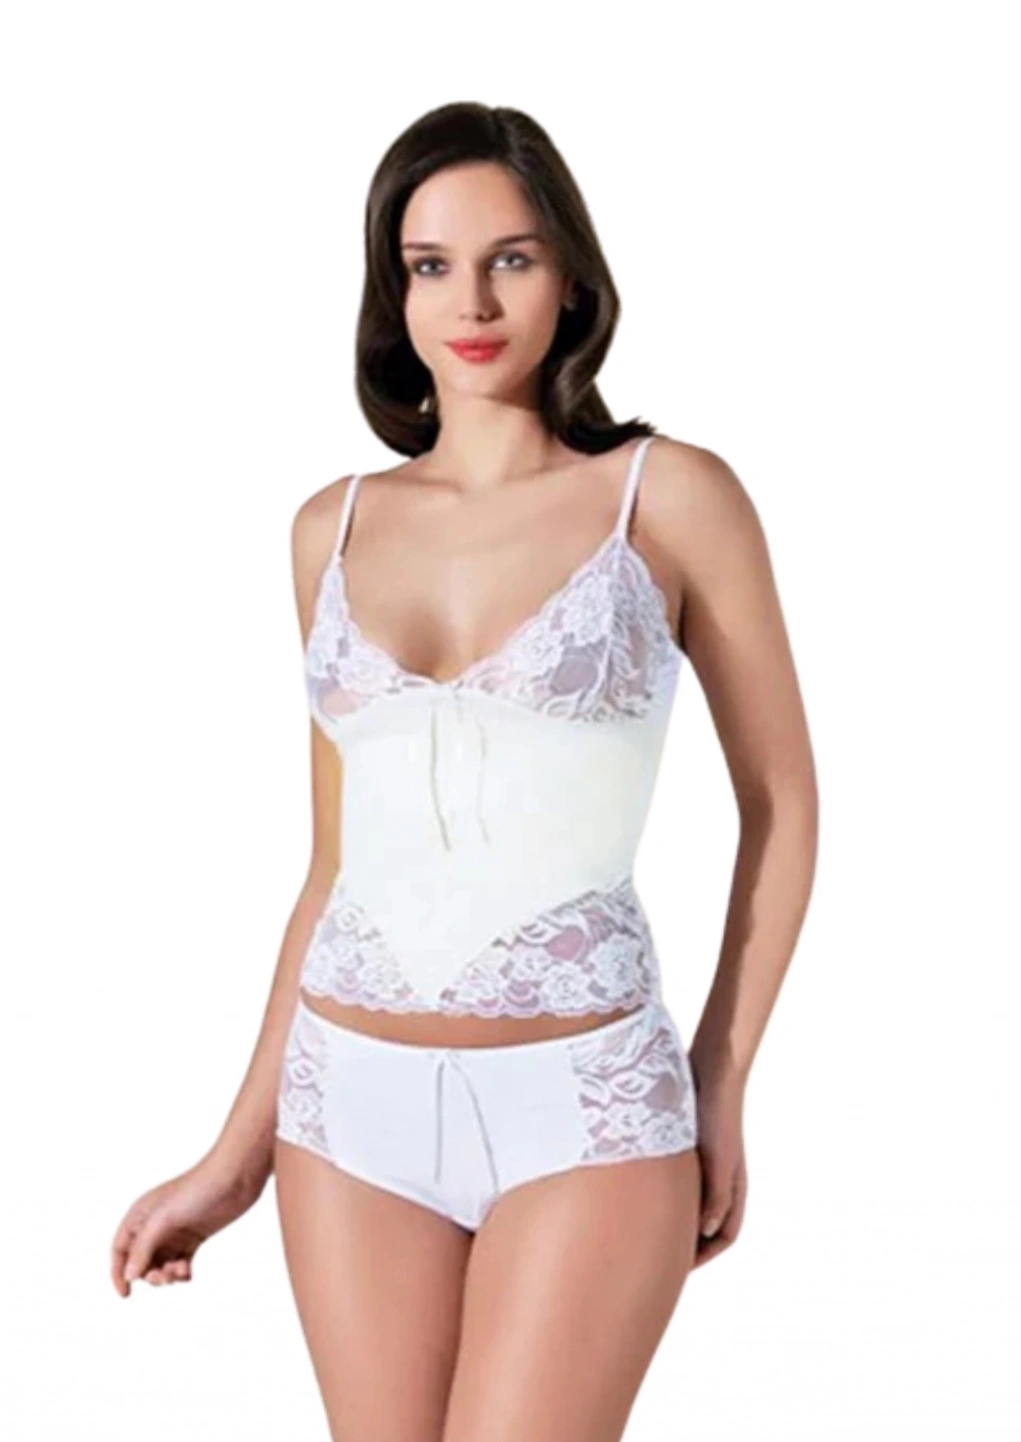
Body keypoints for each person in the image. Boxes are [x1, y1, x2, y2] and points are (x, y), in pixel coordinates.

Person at [110, 101, 818, 1441]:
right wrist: (236, 1153)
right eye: (430, 265)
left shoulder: (669, 497)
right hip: (345, 1107)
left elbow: (781, 806)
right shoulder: (330, 528)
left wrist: (722, 1078)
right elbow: (334, 867)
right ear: (392, 291)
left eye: (513, 259)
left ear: (573, 278)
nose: (473, 302)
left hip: (590, 1107)